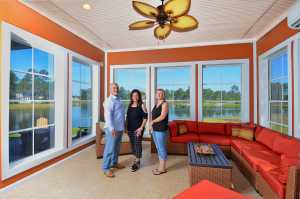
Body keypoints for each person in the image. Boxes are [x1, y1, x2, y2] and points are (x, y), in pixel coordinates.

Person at [102, 83, 126, 178]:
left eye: (117, 88)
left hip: (119, 128)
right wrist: (112, 128)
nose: (116, 89)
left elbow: (120, 115)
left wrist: (123, 127)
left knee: (116, 147)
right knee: (110, 148)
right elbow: (108, 117)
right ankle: (106, 168)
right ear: (110, 89)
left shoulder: (119, 99)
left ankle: (114, 163)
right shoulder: (109, 101)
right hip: (112, 129)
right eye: (114, 88)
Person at [126, 89, 148, 172]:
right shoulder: (130, 105)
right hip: (130, 129)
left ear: (139, 97)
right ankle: (136, 159)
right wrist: (126, 128)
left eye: (136, 95)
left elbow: (146, 117)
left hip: (138, 129)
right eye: (133, 95)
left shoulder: (142, 105)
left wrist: (141, 128)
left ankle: (137, 162)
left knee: (137, 144)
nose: (135, 97)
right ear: (131, 96)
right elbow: (128, 117)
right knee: (133, 144)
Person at [150, 88, 169, 175]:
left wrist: (153, 122)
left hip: (161, 129)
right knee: (158, 147)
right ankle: (161, 166)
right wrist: (151, 125)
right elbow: (153, 116)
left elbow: (162, 116)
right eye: (157, 93)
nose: (159, 94)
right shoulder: (156, 104)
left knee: (161, 148)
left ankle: (162, 169)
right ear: (155, 95)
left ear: (163, 95)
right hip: (154, 129)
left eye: (161, 93)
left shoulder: (165, 104)